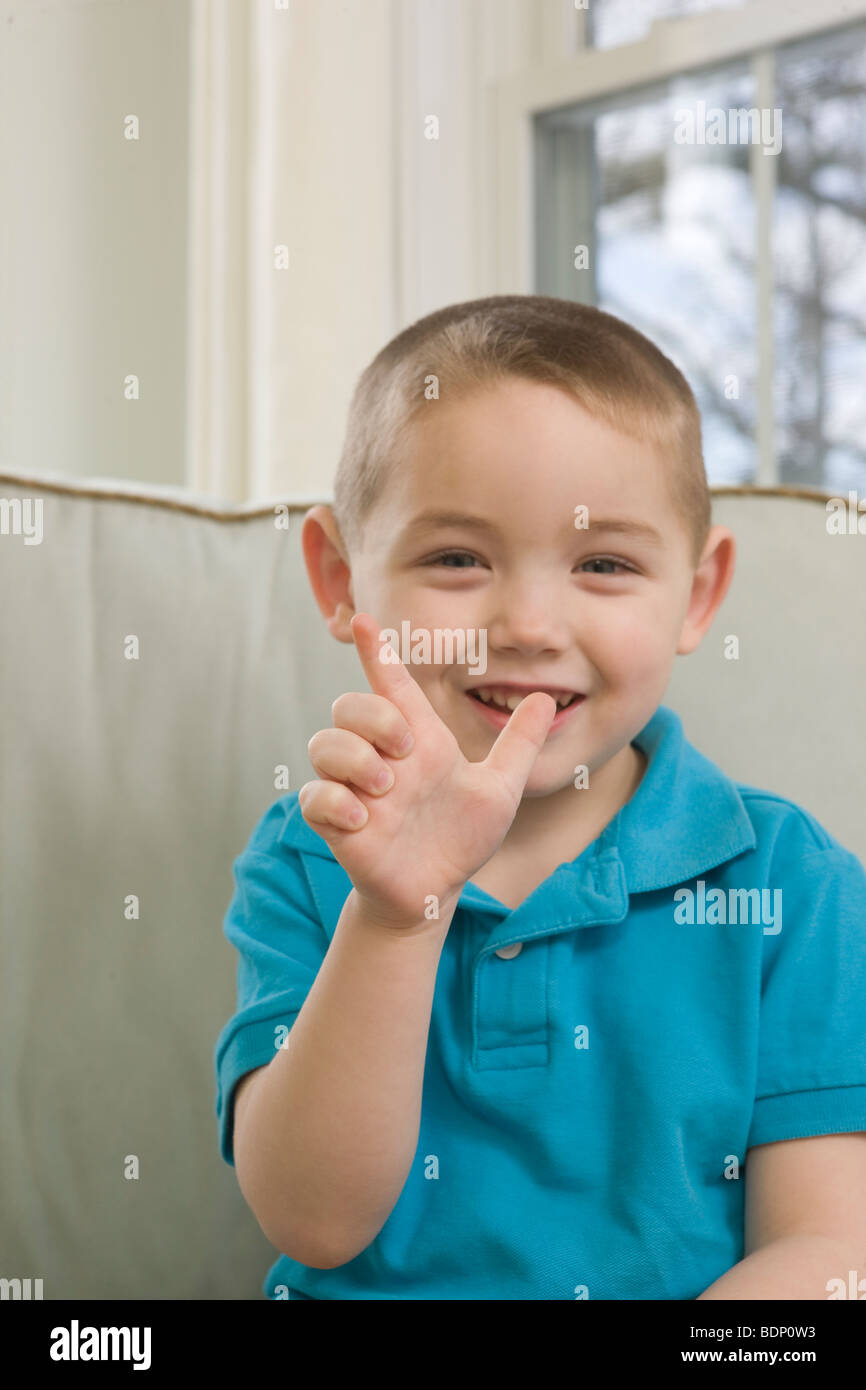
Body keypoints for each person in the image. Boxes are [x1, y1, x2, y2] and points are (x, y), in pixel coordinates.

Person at [214, 295, 866, 1300]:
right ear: (339, 575)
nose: (525, 623)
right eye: (456, 559)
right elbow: (313, 1218)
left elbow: (829, 1253)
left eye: (601, 564)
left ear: (694, 596)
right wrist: (396, 915)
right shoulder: (312, 851)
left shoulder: (791, 883)